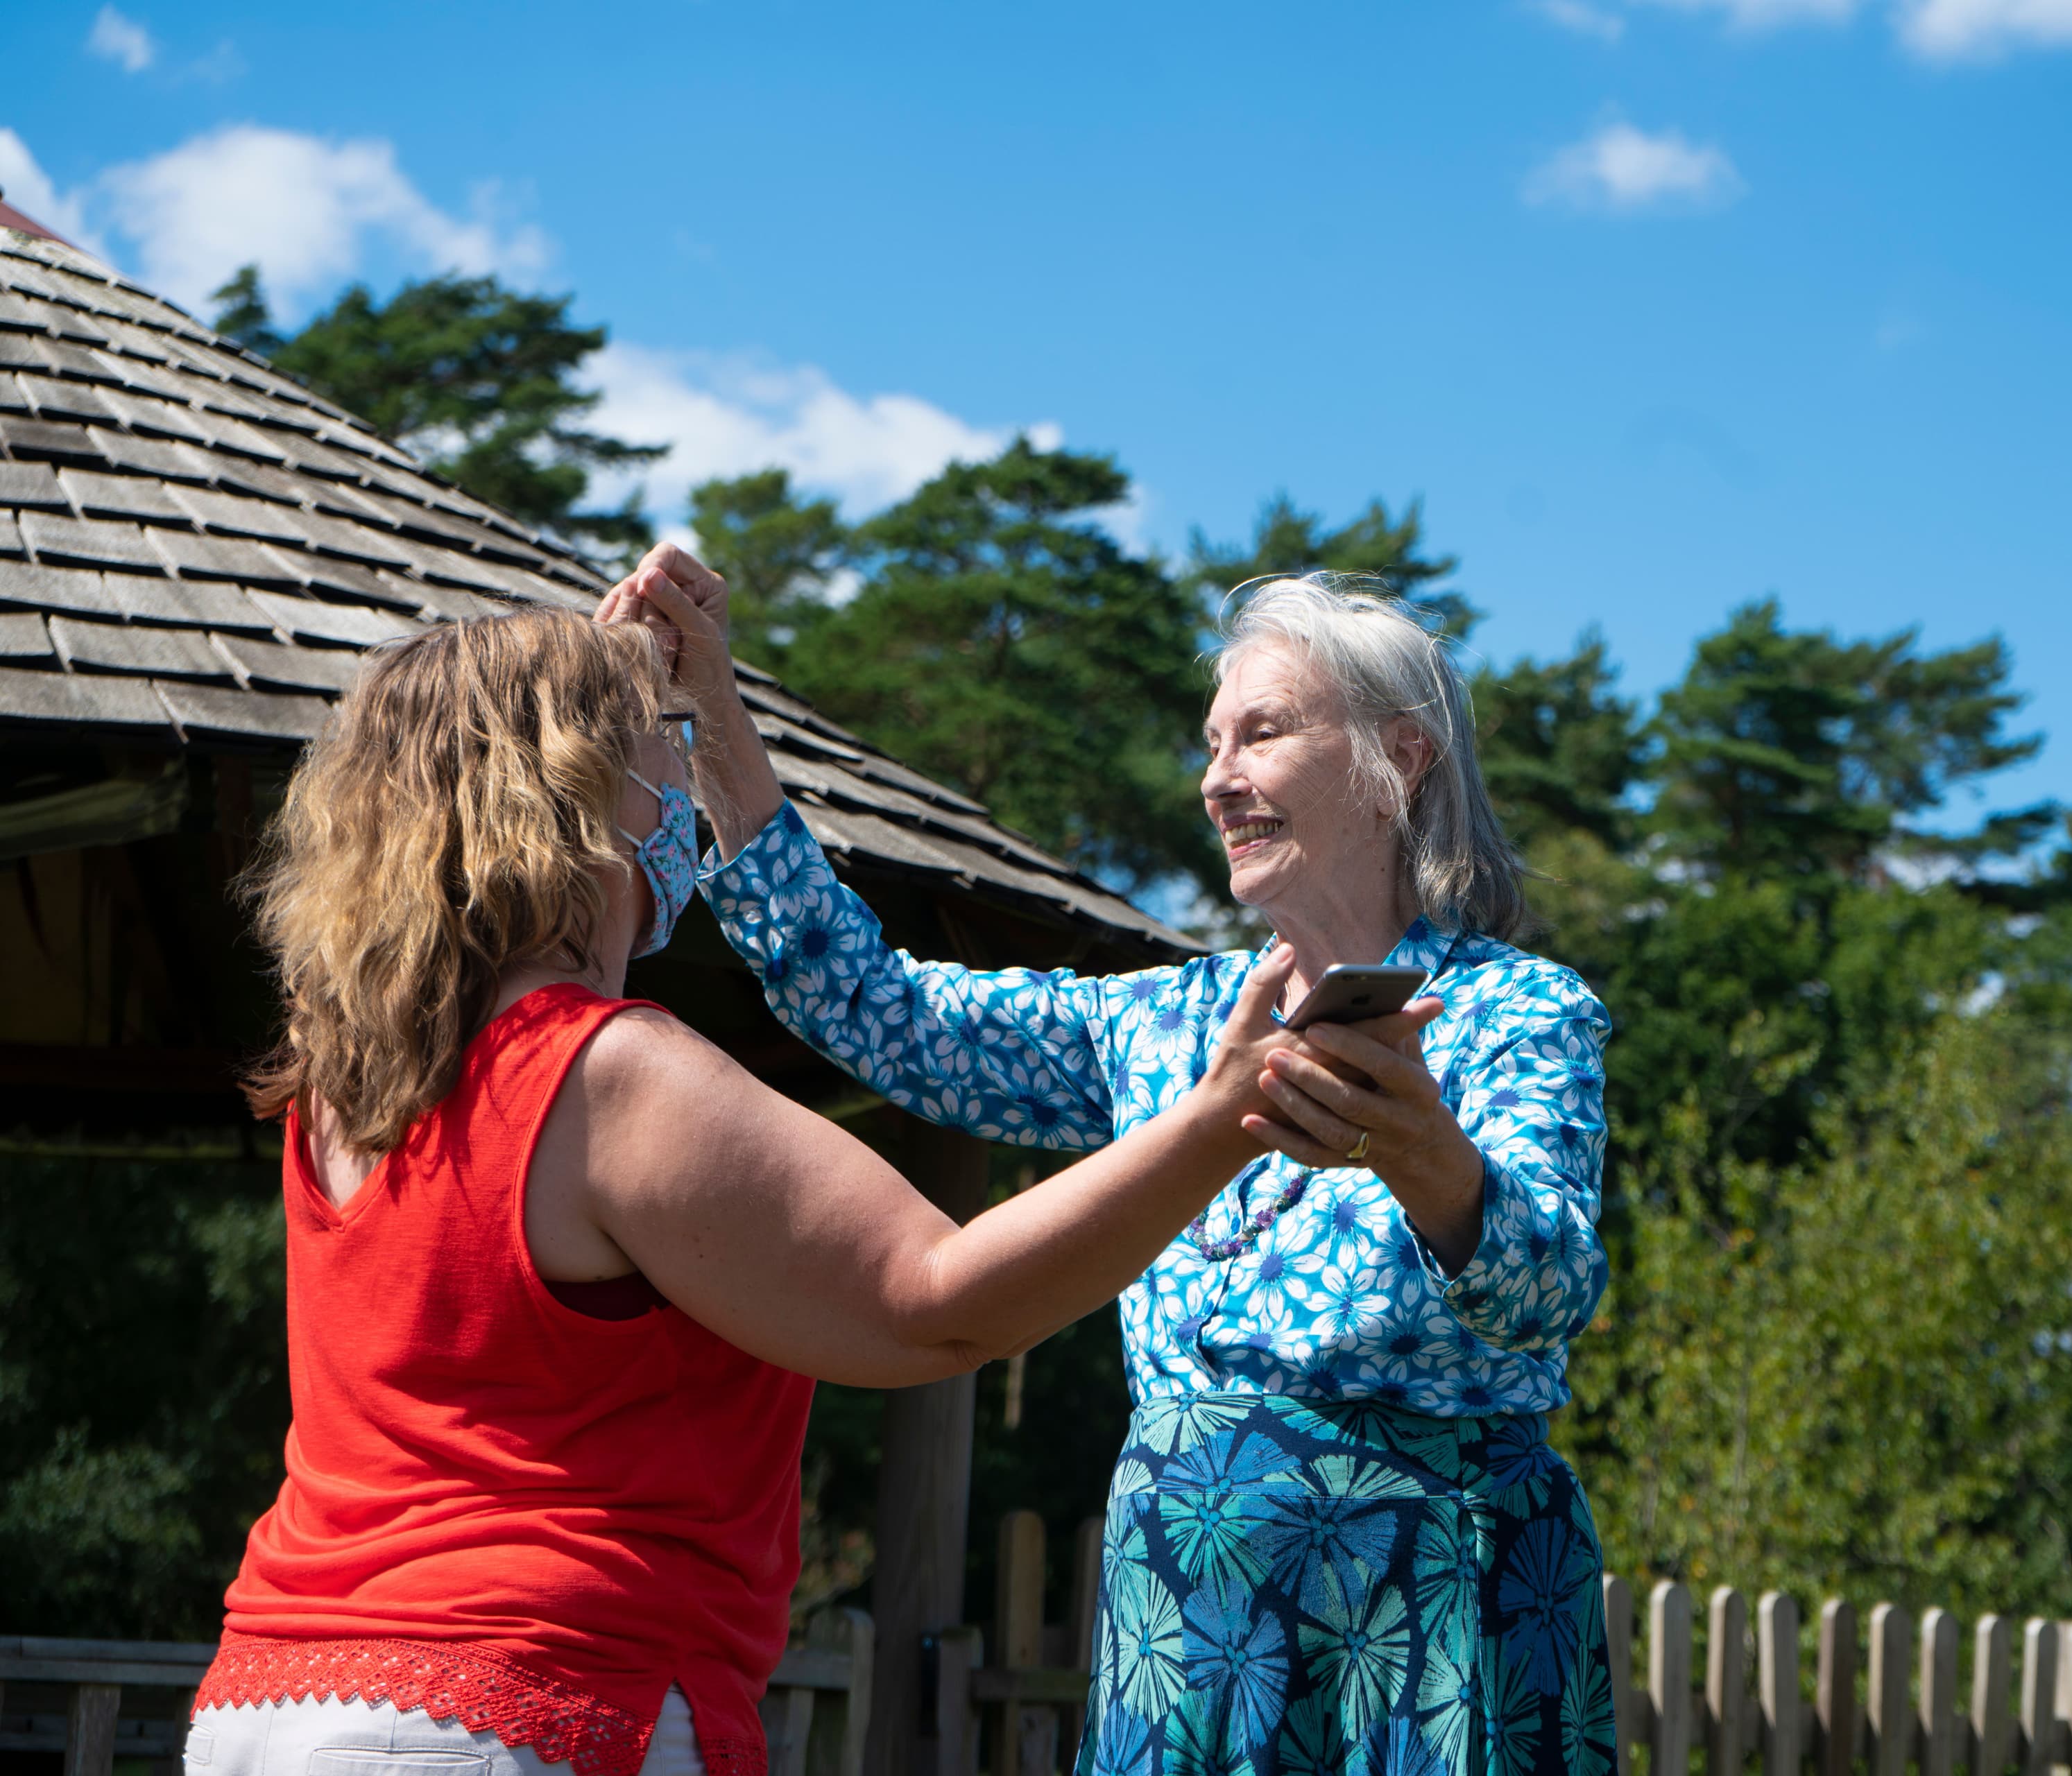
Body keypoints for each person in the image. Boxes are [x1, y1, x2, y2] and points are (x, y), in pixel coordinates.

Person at [189, 598, 1313, 1776]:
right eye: (653, 744)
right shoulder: (608, 1070)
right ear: (575, 792)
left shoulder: (349, 1087)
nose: (674, 777)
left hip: (270, 1695)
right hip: (521, 1699)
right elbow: (937, 1300)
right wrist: (1223, 1117)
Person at [624, 554, 1617, 1773]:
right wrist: (713, 711)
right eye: (1212, 742)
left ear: (1400, 757)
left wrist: (1435, 1166)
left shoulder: (1518, 1012)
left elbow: (1555, 1291)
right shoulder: (1157, 1024)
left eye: (1263, 733)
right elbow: (873, 1006)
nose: (1218, 779)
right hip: (1186, 1617)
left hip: (1437, 1613)